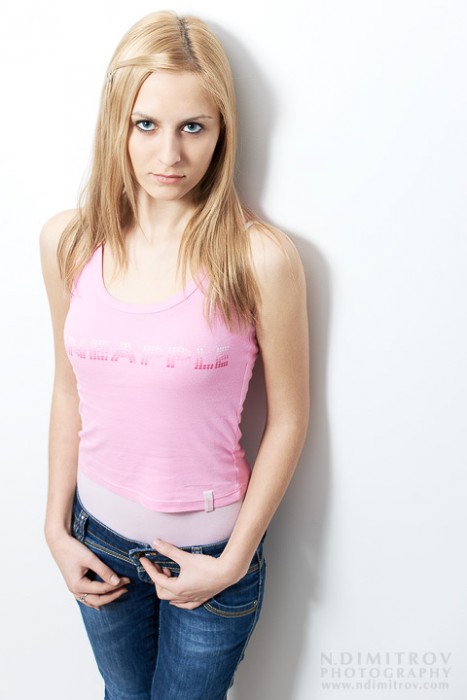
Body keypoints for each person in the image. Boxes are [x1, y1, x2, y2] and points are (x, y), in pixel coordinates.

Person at [40, 10, 309, 700]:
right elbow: (68, 389)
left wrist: (234, 561)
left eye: (194, 127)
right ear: (117, 124)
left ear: (222, 132)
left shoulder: (258, 257)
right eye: (146, 124)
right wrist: (55, 528)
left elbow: (288, 419)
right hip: (96, 541)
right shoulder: (69, 242)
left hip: (210, 557)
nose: (169, 155)